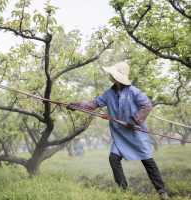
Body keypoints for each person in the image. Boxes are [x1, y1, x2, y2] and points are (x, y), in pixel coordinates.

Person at [67, 62, 169, 200]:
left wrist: (134, 121)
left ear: (118, 77)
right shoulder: (109, 93)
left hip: (136, 133)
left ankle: (162, 192)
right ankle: (124, 190)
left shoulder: (134, 92)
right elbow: (94, 104)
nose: (110, 76)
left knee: (148, 161)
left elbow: (147, 106)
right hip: (120, 134)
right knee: (113, 158)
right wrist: (77, 105)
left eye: (113, 74)